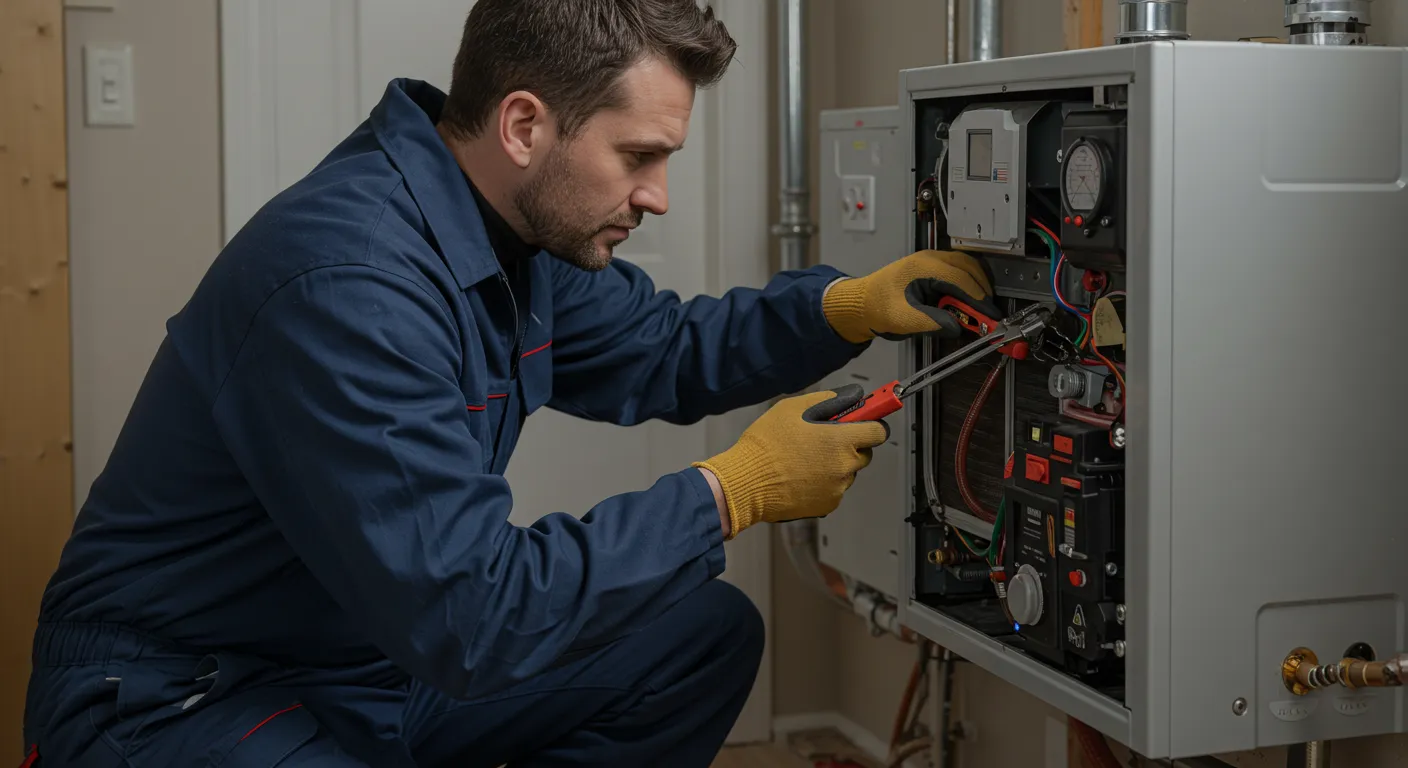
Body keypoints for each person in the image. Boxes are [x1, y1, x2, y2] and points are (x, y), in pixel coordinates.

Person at [20, 1, 998, 765]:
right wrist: (727, 492)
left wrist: (842, 309)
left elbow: (662, 349)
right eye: (638, 156)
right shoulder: (349, 284)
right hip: (182, 697)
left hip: (365, 653)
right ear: (526, 123)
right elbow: (470, 615)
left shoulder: (513, 233)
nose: (655, 193)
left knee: (696, 637)